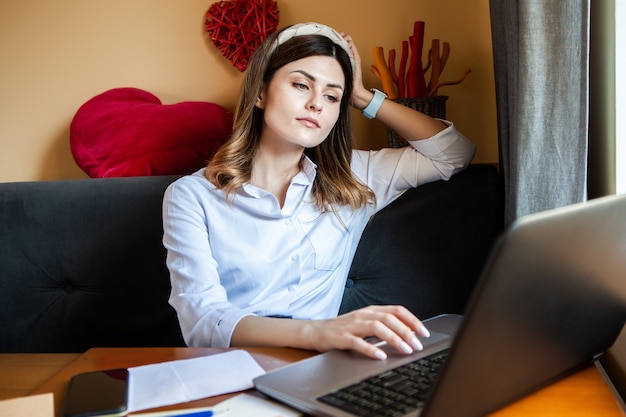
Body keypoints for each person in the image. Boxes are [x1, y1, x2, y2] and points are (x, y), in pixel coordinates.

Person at [162, 22, 475, 360]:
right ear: (260, 93)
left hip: (318, 374)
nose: (317, 104)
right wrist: (319, 332)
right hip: (229, 373)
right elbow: (203, 320)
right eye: (301, 85)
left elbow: (454, 154)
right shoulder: (191, 196)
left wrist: (363, 97)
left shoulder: (353, 178)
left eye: (331, 96)